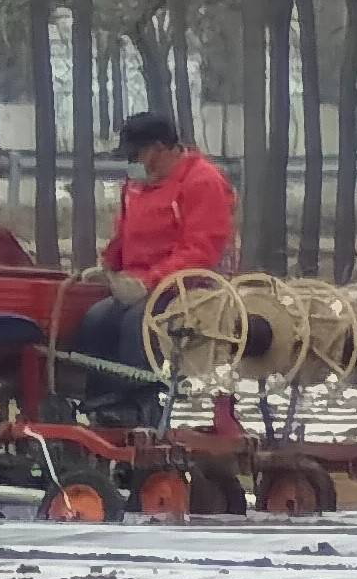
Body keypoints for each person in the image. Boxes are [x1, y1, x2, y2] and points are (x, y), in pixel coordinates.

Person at [68, 109, 236, 412]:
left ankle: (140, 405)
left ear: (160, 148)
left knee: (139, 325)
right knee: (94, 321)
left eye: (138, 154)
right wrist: (107, 266)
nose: (133, 163)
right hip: (139, 284)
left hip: (187, 287)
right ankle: (98, 402)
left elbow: (200, 251)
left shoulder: (203, 182)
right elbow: (125, 234)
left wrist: (149, 281)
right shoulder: (137, 186)